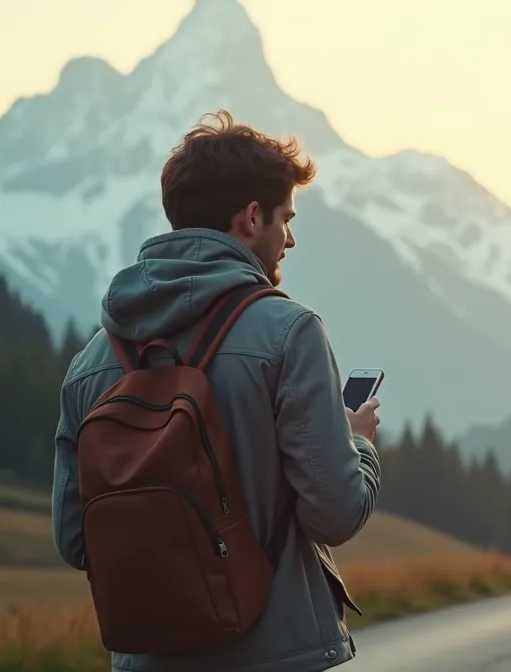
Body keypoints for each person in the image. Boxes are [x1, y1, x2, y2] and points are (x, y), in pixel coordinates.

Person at [50, 109, 382, 672]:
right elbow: (335, 514)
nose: (290, 238)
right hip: (274, 654)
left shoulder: (92, 363)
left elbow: (74, 539)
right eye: (285, 219)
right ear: (251, 218)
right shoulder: (289, 334)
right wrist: (360, 447)